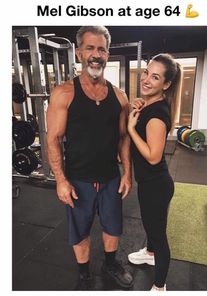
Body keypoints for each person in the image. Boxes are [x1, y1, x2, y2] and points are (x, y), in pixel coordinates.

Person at [46, 26, 133, 290]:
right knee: (80, 230)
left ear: (108, 54)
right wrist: (60, 180)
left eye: (102, 49)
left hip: (110, 177)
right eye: (90, 48)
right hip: (78, 179)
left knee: (113, 226)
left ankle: (109, 263)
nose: (96, 55)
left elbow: (123, 139)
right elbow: (53, 139)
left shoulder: (119, 96)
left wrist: (127, 173)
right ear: (80, 53)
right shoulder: (64, 93)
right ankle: (83, 272)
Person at [127, 53, 181, 291]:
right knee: (152, 226)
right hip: (151, 182)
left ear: (166, 84)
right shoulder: (150, 105)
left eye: (155, 77)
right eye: (147, 72)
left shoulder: (158, 115)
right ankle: (149, 253)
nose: (146, 79)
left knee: (158, 235)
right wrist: (138, 105)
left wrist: (131, 129)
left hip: (156, 185)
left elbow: (153, 156)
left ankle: (159, 287)